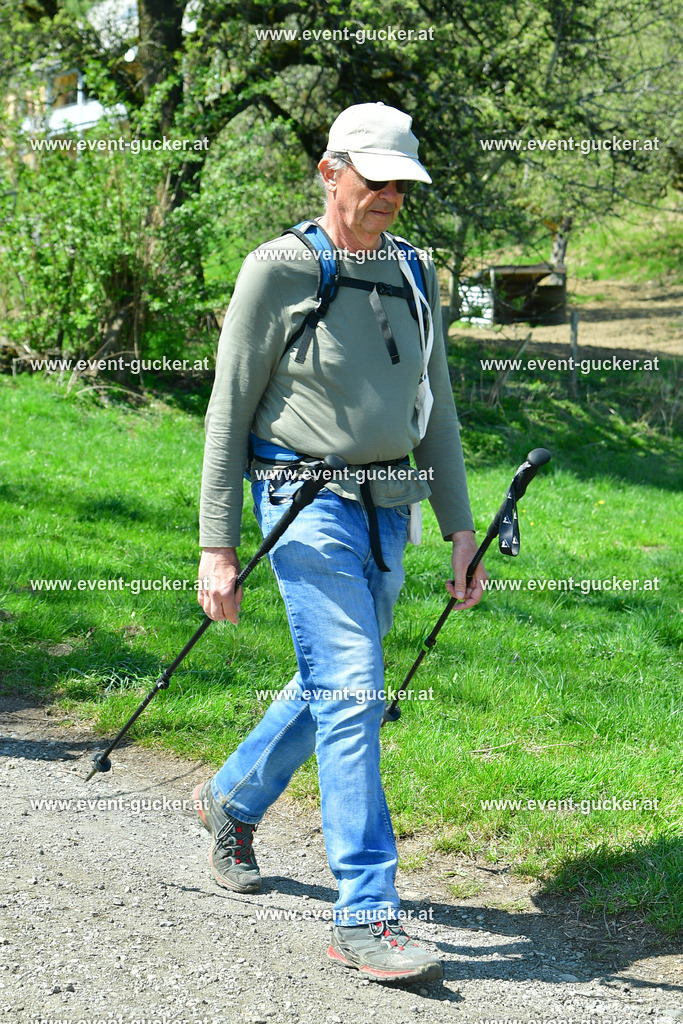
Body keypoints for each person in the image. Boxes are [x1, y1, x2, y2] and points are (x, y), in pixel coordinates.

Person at [193, 101, 488, 984]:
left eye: (402, 184)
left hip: (390, 504)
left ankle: (232, 797)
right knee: (355, 690)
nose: (389, 196)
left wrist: (461, 530)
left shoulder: (414, 271)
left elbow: (435, 409)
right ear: (330, 172)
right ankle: (366, 914)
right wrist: (216, 545)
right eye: (375, 179)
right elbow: (227, 410)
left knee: (334, 680)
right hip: (301, 499)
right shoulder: (278, 268)